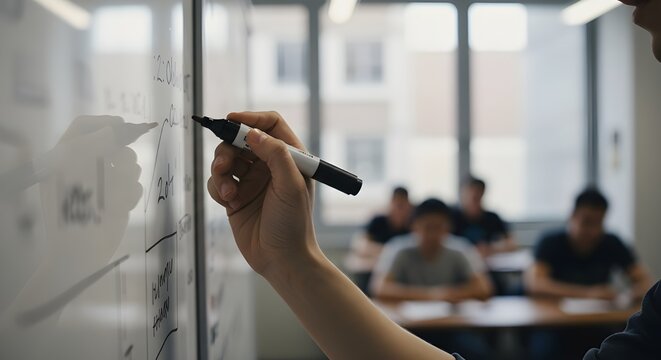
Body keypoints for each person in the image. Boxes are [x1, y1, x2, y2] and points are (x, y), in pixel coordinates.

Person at [207, 2, 661, 358]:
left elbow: (484, 286)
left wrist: (293, 261)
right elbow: (385, 285)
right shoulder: (400, 246)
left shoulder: (458, 251)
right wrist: (291, 260)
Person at [526, 188, 651, 300]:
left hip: (598, 319)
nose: (592, 231)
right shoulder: (550, 242)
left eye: (598, 223)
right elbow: (535, 284)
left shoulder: (612, 243)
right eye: (586, 222)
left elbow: (644, 280)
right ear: (572, 216)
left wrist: (629, 294)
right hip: (554, 319)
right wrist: (588, 293)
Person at [371, 198, 491, 302]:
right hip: (407, 324)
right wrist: (432, 295)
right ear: (414, 226)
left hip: (451, 323)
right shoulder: (398, 248)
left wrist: (446, 295)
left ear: (448, 228)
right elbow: (379, 288)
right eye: (427, 227)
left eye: (438, 227)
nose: (433, 234)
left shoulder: (460, 249)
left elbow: (484, 288)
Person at [345, 187, 412, 295]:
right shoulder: (379, 221)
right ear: (391, 203)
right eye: (397, 205)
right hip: (373, 266)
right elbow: (360, 245)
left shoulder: (411, 225)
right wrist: (389, 253)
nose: (400, 210)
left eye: (403, 206)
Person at [451, 177, 516, 257]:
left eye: (477, 195)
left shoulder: (492, 218)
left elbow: (512, 244)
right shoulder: (452, 217)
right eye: (470, 194)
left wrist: (491, 249)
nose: (473, 199)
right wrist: (471, 250)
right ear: (462, 194)